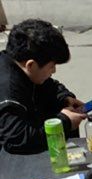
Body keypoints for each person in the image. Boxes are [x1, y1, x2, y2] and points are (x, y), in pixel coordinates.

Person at [0, 19, 87, 154]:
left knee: (60, 106)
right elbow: (18, 140)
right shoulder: (9, 92)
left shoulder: (18, 64)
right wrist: (64, 122)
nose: (54, 71)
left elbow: (49, 86)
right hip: (8, 152)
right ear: (31, 65)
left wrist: (64, 98)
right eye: (52, 66)